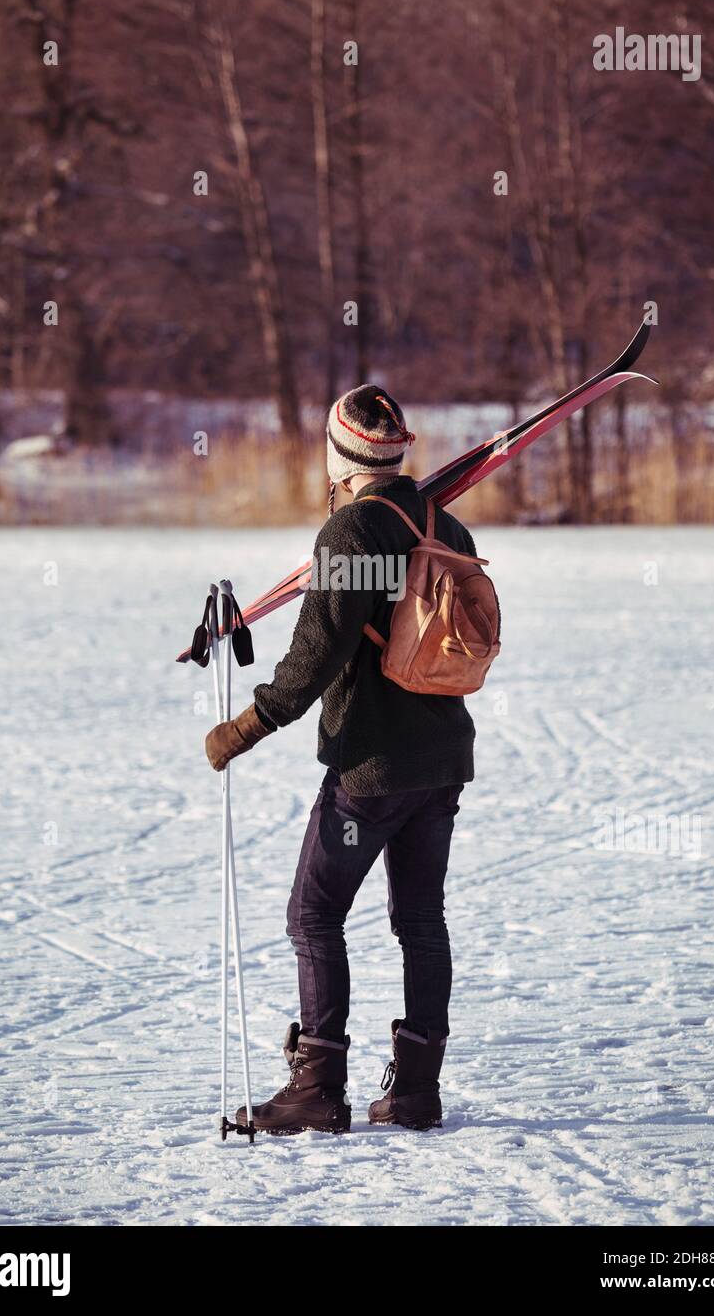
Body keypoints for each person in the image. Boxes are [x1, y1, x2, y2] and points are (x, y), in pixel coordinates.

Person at [205, 385, 478, 1134]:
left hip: (374, 767)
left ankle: (318, 1087)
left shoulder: (353, 532)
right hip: (444, 757)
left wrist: (246, 725)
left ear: (339, 454)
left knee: (314, 912)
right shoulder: (441, 518)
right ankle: (416, 1091)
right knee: (421, 918)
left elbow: (313, 656)